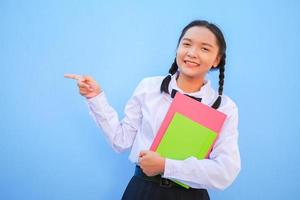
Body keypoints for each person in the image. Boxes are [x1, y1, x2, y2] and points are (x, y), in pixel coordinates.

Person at [64, 20, 241, 200]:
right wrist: (95, 97)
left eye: (205, 48)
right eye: (186, 44)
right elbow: (121, 141)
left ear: (216, 59)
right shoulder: (149, 87)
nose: (192, 53)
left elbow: (225, 171)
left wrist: (166, 166)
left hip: (191, 196)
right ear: (178, 48)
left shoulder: (225, 107)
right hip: (143, 190)